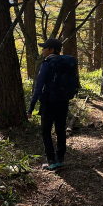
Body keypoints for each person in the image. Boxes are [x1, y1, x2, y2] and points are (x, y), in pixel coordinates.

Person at [28, 37, 77, 171]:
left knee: (46, 131)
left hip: (49, 102)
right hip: (63, 101)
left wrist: (31, 107)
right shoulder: (66, 63)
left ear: (51, 50)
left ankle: (51, 161)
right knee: (60, 130)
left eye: (44, 48)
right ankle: (60, 159)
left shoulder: (47, 64)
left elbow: (38, 86)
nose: (43, 50)